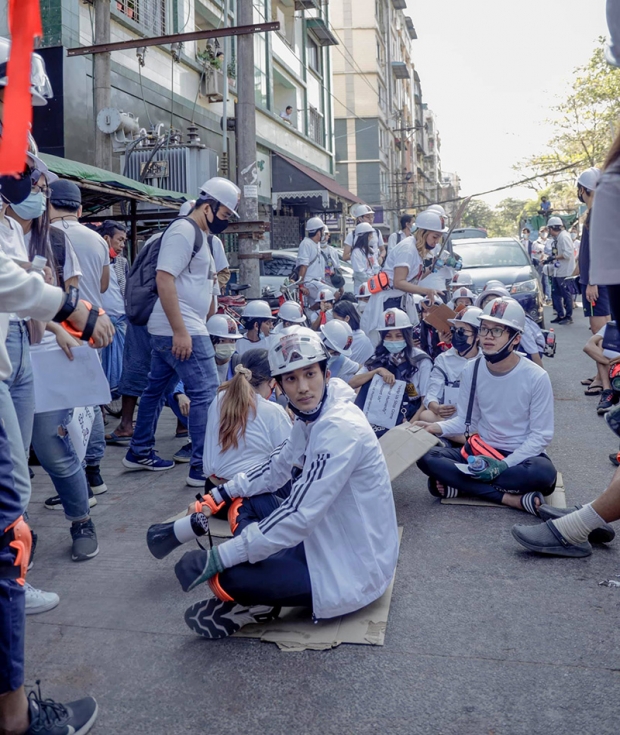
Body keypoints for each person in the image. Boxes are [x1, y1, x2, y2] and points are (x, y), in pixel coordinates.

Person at [167, 326, 398, 639]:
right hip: (326, 541)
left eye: (310, 374)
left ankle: (256, 605)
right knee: (250, 518)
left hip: (353, 569)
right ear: (278, 385)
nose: (302, 387)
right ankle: (262, 591)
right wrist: (220, 494)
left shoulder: (339, 428)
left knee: (227, 577)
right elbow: (275, 469)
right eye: (291, 378)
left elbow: (300, 515)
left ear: (326, 374)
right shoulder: (310, 417)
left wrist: (217, 557)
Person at [0, 244, 112, 734]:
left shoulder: (33, 230)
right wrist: (70, 309)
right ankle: (17, 720)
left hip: (21, 347)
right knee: (8, 534)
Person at [123, 177, 239, 487]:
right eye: (225, 214)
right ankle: (201, 467)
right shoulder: (184, 230)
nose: (225, 222)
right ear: (208, 206)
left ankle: (139, 450)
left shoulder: (198, 234)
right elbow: (164, 279)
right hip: (182, 327)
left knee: (156, 390)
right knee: (204, 394)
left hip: (180, 326)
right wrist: (181, 331)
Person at [415, 297, 557, 512]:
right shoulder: (471, 369)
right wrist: (435, 428)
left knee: (543, 475)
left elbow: (541, 436)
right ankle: (510, 499)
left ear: (516, 338)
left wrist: (504, 465)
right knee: (427, 457)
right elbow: (466, 421)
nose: (488, 337)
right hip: (480, 452)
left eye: (497, 331)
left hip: (519, 458)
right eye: (484, 329)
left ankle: (461, 486)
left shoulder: (536, 377)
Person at [203, 348, 292, 485]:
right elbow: (291, 459)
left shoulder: (219, 398)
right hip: (246, 493)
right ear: (272, 382)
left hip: (212, 487)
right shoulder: (273, 411)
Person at [360, 210, 445, 344]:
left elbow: (413, 278)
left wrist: (431, 268)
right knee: (391, 342)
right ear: (423, 233)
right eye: (435, 237)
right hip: (389, 301)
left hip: (400, 299)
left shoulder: (416, 249)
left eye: (439, 237)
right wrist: (427, 291)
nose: (436, 241)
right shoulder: (407, 249)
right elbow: (399, 282)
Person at [351, 308, 432, 436]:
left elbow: (425, 401)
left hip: (410, 414)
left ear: (407, 335)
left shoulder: (421, 360)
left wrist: (409, 426)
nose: (393, 340)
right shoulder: (379, 357)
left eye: (398, 336)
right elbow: (352, 382)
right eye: (388, 336)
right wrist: (377, 371)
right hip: (380, 414)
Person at [418, 306, 482, 439]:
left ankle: (454, 435)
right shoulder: (443, 359)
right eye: (455, 330)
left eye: (462, 331)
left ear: (477, 336)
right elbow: (432, 391)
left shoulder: (487, 360)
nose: (457, 334)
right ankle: (464, 438)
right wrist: (435, 407)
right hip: (450, 418)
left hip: (478, 420)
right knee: (426, 415)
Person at [575, 167, 611, 392]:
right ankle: (600, 376)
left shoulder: (597, 212)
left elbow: (598, 251)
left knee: (599, 334)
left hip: (597, 283)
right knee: (603, 332)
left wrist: (591, 282)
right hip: (601, 281)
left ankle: (605, 382)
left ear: (583, 190)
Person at [98, 221, 128, 401]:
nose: (122, 245)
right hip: (101, 321)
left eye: (124, 241)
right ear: (106, 239)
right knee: (99, 366)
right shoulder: (95, 258)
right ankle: (100, 406)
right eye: (120, 240)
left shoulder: (121, 263)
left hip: (120, 320)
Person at [582, 322, 620, 415]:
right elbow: (588, 346)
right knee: (601, 343)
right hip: (615, 364)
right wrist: (610, 364)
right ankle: (608, 392)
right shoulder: (612, 325)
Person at [546, 216, 575, 325]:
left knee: (566, 295)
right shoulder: (557, 238)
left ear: (552, 228)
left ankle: (568, 316)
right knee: (556, 294)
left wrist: (555, 257)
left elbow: (567, 254)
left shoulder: (564, 237)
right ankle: (560, 314)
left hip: (565, 271)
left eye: (549, 229)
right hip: (557, 271)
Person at [331, 298, 374, 365]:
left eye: (336, 319)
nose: (334, 322)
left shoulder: (357, 338)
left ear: (347, 318)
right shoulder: (360, 336)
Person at [296, 217, 327, 305]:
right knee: (334, 295)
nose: (324, 233)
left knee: (316, 308)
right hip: (309, 283)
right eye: (323, 231)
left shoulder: (317, 244)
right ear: (318, 232)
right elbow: (303, 266)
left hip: (317, 282)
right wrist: (301, 285)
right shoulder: (306, 244)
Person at [207, 313, 243, 383]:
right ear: (210, 341)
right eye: (222, 341)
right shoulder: (201, 364)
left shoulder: (239, 364)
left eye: (232, 340)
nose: (228, 345)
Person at [350, 222, 381, 292]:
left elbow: (376, 267)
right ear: (364, 236)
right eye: (370, 235)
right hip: (362, 288)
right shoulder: (356, 252)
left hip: (373, 287)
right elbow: (360, 273)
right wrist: (374, 279)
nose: (372, 237)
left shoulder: (370, 250)